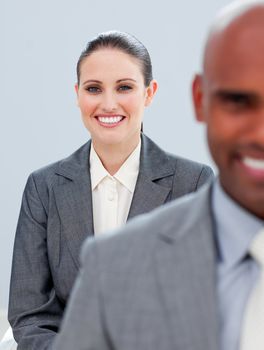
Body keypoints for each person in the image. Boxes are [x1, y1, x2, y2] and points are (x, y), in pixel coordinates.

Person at [52, 1, 264, 350]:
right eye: (238, 101)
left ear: (148, 94)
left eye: (123, 87)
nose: (260, 132)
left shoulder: (189, 178)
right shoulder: (112, 265)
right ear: (200, 99)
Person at [8, 31, 213, 350]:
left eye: (124, 87)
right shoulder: (44, 187)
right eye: (93, 89)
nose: (108, 103)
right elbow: (30, 316)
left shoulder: (194, 184)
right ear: (77, 94)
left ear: (149, 93)